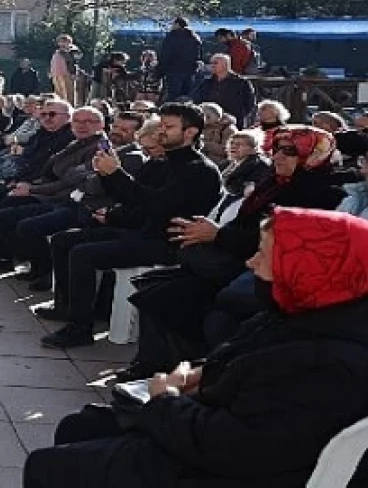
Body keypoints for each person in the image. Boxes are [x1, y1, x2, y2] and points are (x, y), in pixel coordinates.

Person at [24, 207, 368, 488]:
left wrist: (165, 399)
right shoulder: (310, 313)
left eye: (263, 255)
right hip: (215, 435)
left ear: (306, 271)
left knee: (50, 467)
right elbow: (248, 366)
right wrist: (201, 373)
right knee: (81, 425)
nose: (251, 263)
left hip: (225, 469)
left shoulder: (331, 363)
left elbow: (233, 447)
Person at [121, 126, 345, 380]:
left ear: (313, 155)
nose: (278, 157)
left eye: (291, 152)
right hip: (236, 263)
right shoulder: (272, 183)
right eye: (276, 149)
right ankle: (153, 371)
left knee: (208, 312)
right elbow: (242, 227)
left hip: (271, 275)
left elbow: (282, 244)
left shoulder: (322, 194)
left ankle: (198, 379)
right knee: (156, 294)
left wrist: (218, 235)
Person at [37, 102, 223, 349]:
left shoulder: (198, 170)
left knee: (83, 254)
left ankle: (80, 329)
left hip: (167, 242)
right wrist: (109, 190)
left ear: (190, 132)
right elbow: (131, 196)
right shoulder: (162, 162)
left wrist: (115, 174)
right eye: (161, 126)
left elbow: (156, 203)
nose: (161, 132)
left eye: (168, 127)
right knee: (64, 240)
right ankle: (67, 306)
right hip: (141, 230)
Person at [0, 106, 109, 273]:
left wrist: (33, 189)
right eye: (77, 121)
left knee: (8, 207)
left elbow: (68, 181)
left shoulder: (97, 146)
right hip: (48, 188)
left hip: (66, 198)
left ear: (101, 124)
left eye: (88, 122)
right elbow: (41, 166)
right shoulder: (73, 142)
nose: (81, 125)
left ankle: (15, 258)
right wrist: (21, 182)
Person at [192, 53, 255, 128]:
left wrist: (239, 115)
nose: (212, 65)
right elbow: (197, 98)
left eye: (215, 63)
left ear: (225, 65)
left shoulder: (241, 83)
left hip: (233, 122)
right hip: (210, 122)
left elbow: (250, 102)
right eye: (211, 63)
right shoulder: (207, 82)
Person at [158, 16, 202, 102]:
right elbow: (198, 55)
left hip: (174, 70)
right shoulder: (195, 37)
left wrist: (161, 70)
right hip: (189, 70)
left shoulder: (171, 37)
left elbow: (165, 55)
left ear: (177, 24)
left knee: (173, 96)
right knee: (187, 95)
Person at [199, 102, 236, 167]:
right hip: (201, 161)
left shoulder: (228, 129)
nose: (204, 119)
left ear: (217, 115)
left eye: (208, 116)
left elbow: (228, 150)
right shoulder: (200, 127)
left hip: (220, 164)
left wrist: (205, 144)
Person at [49, 34, 82, 103]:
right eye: (60, 41)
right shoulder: (58, 52)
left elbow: (74, 63)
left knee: (69, 94)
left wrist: (73, 73)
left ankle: (70, 109)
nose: (62, 43)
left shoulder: (72, 51)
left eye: (64, 41)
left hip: (67, 74)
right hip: (56, 75)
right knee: (59, 94)